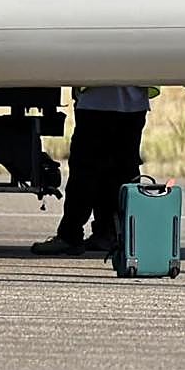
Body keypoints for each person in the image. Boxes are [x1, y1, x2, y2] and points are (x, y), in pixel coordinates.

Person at [31, 86, 154, 256]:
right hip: (134, 104)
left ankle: (71, 235)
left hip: (95, 102)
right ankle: (110, 234)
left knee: (85, 173)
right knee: (121, 172)